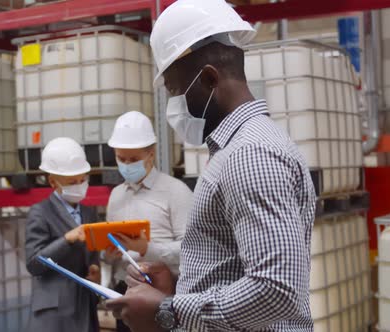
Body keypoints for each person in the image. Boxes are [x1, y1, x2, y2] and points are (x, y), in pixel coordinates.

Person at [106, 0, 317, 331]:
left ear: (207, 79)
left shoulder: (250, 155)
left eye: (175, 91)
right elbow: (237, 268)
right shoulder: (237, 149)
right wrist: (179, 283)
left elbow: (278, 289)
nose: (173, 107)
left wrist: (169, 310)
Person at [104, 110, 193, 332]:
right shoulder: (116, 196)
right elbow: (108, 253)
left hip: (164, 295)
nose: (126, 165)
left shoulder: (176, 192)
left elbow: (192, 249)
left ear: (151, 155)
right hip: (126, 293)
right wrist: (107, 254)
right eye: (121, 159)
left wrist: (147, 248)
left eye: (134, 159)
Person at [25, 137, 101, 332]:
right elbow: (34, 264)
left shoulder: (89, 212)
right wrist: (66, 240)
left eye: (83, 180)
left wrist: (94, 268)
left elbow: (92, 253)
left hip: (84, 306)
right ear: (53, 182)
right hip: (54, 313)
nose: (79, 185)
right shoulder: (40, 212)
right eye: (72, 182)